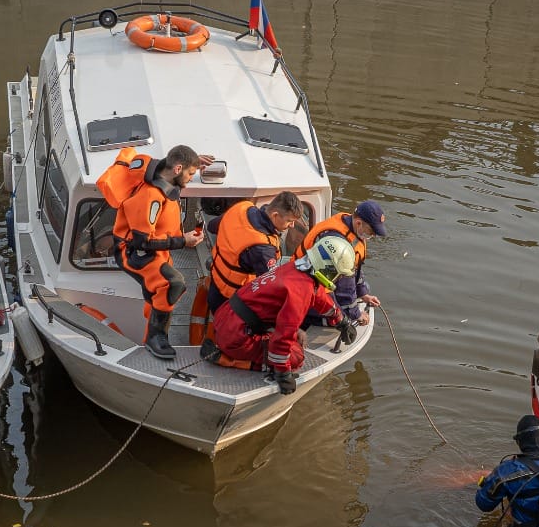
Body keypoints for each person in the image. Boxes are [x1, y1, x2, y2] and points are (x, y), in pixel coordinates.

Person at [202, 234, 358, 395]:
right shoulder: (300, 291)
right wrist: (283, 373)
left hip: (226, 318)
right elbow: (283, 337)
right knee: (296, 357)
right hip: (236, 336)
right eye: (338, 274)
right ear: (329, 269)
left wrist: (341, 321)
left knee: (287, 344)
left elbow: (319, 298)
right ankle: (228, 360)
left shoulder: (295, 269)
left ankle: (236, 351)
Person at [111, 144, 209, 359]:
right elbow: (142, 242)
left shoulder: (167, 176)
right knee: (173, 284)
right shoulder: (151, 196)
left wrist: (193, 161)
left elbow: (175, 165)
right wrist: (183, 241)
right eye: (190, 173)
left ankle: (153, 322)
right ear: (177, 169)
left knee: (161, 289)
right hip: (132, 252)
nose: (192, 178)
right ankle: (156, 338)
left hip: (159, 247)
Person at [205, 190, 304, 315]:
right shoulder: (263, 249)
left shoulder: (241, 208)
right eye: (289, 221)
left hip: (216, 282)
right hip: (233, 301)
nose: (292, 226)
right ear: (275, 215)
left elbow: (212, 226)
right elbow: (270, 287)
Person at [293, 200, 387, 327]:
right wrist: (356, 314)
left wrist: (363, 293)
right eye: (371, 231)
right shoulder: (338, 244)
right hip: (304, 286)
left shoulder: (352, 228)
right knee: (339, 318)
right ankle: (305, 322)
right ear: (359, 223)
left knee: (352, 300)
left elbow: (355, 268)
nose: (373, 235)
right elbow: (345, 289)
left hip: (320, 280)